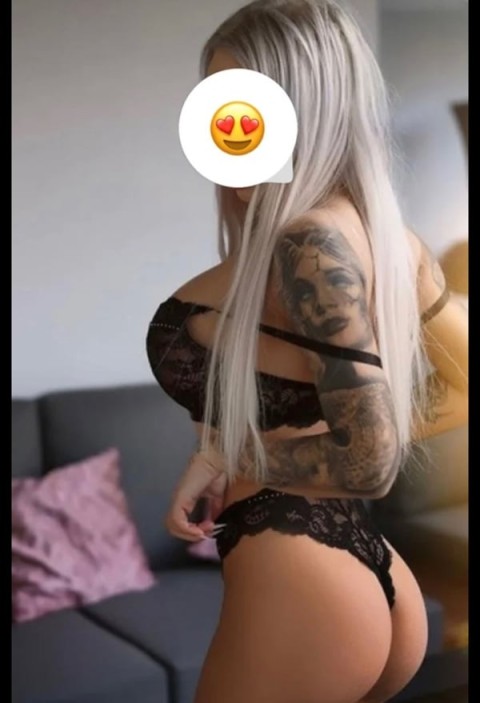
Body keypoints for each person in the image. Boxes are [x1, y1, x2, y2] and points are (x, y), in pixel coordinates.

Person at [146, 1, 468, 702]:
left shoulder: (308, 244)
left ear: (306, 110)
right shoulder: (383, 238)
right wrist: (222, 453)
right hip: (356, 567)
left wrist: (235, 458)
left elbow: (369, 460)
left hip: (297, 572)